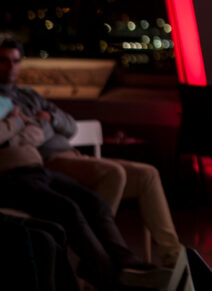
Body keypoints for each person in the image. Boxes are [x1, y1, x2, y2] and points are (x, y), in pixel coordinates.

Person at [0, 38, 184, 268]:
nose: (11, 67)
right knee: (113, 174)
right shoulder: (3, 102)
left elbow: (70, 125)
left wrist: (50, 119)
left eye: (16, 61)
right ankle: (101, 252)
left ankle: (174, 256)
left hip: (73, 155)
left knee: (147, 174)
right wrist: (38, 124)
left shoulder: (31, 96)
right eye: (4, 61)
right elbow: (24, 138)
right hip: (48, 161)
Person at [0, 91, 171, 289]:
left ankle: (126, 261)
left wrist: (10, 136)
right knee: (67, 209)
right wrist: (17, 123)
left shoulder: (7, 102)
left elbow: (37, 131)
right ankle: (107, 274)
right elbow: (20, 128)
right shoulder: (11, 110)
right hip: (8, 176)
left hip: (37, 169)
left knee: (95, 203)